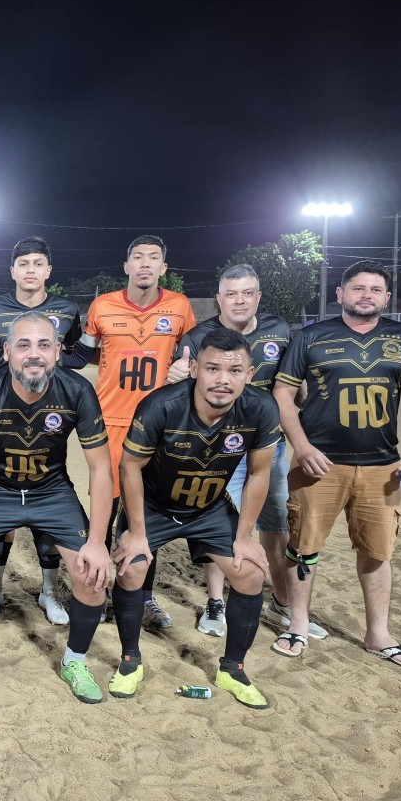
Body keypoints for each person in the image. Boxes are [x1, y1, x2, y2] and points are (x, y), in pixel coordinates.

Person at [272, 260, 401, 669]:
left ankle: (378, 634)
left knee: (378, 553)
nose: (367, 295)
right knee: (303, 549)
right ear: (340, 294)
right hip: (320, 466)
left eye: (375, 289)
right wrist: (303, 446)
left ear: (386, 298)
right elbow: (282, 396)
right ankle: (298, 624)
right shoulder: (310, 337)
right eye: (358, 288)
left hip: (382, 467)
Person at [0, 312, 113, 696]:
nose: (33, 354)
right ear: (6, 352)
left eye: (43, 345)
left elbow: (101, 470)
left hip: (51, 490)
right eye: (23, 345)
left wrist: (98, 541)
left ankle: (75, 661)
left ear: (57, 351)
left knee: (90, 572)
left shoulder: (77, 391)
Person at [112, 328, 281, 708]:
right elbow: (130, 467)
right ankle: (129, 661)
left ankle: (232, 668)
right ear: (193, 370)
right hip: (154, 507)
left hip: (208, 508)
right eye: (213, 368)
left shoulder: (261, 407)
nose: (223, 379)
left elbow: (258, 473)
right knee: (132, 567)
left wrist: (245, 536)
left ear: (249, 374)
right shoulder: (161, 405)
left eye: (235, 370)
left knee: (250, 572)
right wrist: (137, 533)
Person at [164, 265, 319, 638]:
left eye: (247, 293)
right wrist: (173, 375)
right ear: (219, 299)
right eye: (231, 294)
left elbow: (292, 388)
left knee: (277, 524)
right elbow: (182, 385)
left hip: (268, 446)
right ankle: (215, 602)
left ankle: (282, 604)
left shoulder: (280, 331)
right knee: (220, 521)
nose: (239, 300)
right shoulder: (198, 336)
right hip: (215, 448)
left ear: (258, 297)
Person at [68, 235, 195, 628]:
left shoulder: (180, 307)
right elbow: (80, 355)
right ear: (126, 267)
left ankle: (141, 596)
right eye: (137, 257)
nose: (144, 264)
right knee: (103, 515)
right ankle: (94, 590)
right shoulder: (101, 305)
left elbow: (193, 354)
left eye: (153, 258)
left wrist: (185, 369)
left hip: (158, 425)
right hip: (108, 424)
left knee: (143, 517)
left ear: (163, 268)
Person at [0, 236, 83, 624]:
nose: (31, 270)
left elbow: (79, 351)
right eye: (24, 264)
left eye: (38, 263)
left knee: (47, 497)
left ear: (48, 270)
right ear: (13, 271)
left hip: (48, 414)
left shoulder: (67, 310)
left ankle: (50, 592)